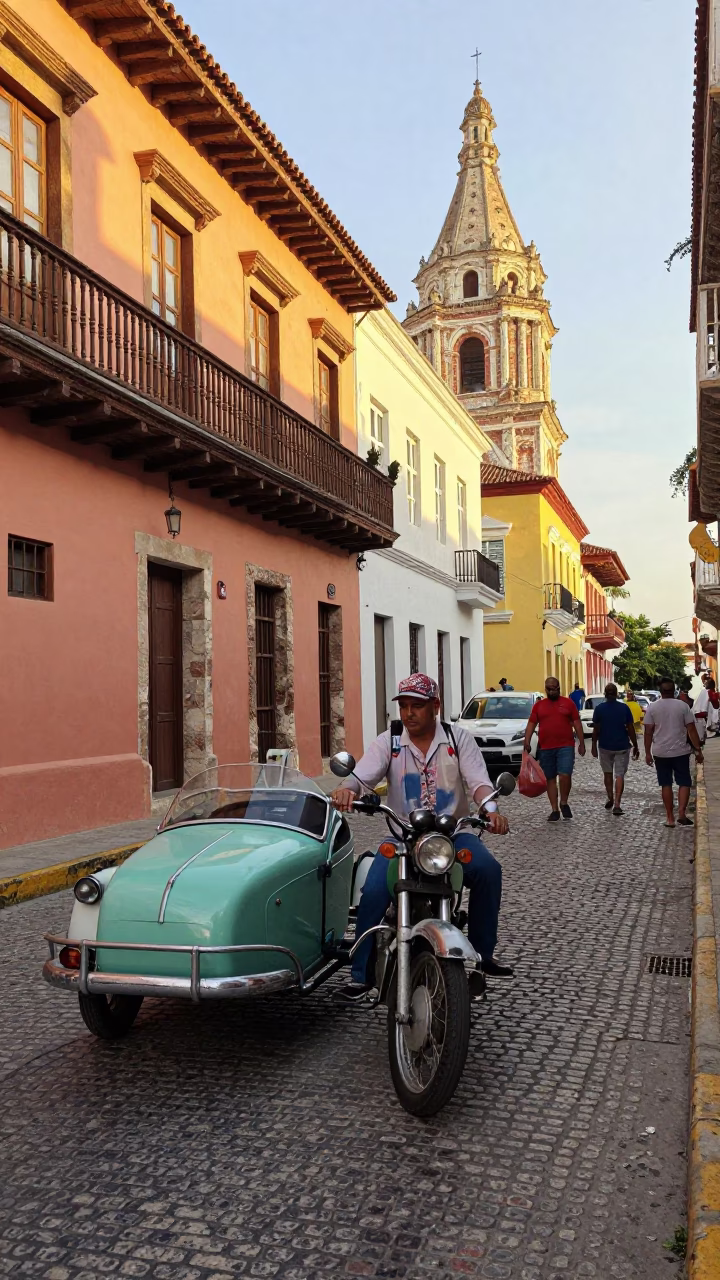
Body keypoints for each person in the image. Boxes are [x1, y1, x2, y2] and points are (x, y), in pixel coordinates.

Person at [331, 673, 512, 999]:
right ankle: (361, 973)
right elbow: (362, 776)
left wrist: (491, 810)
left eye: (417, 706)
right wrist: (347, 790)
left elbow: (479, 783)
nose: (409, 713)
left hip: (452, 836)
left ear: (435, 707)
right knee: (372, 889)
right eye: (404, 706)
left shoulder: (458, 740)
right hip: (403, 838)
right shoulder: (390, 741)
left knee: (488, 870)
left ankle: (483, 957)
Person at [643, 676, 704, 827]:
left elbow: (648, 732)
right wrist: (698, 750)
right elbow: (691, 730)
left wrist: (648, 753)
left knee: (666, 784)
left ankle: (670, 818)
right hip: (681, 751)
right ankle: (682, 813)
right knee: (684, 782)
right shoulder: (683, 706)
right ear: (674, 690)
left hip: (660, 752)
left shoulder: (652, 707)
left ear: (661, 690)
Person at [522, 677, 586, 820]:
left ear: (559, 687)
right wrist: (527, 740)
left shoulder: (568, 703)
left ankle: (564, 802)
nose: (553, 691)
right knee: (550, 778)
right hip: (546, 747)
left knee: (565, 775)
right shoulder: (539, 706)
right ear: (546, 689)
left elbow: (577, 723)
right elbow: (532, 724)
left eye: (555, 688)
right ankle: (555, 809)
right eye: (550, 689)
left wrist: (582, 743)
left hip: (566, 746)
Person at [591, 682, 639, 815]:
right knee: (619, 775)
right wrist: (635, 745)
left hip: (605, 746)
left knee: (607, 773)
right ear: (617, 694)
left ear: (605, 694)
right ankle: (617, 803)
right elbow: (630, 728)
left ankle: (610, 797)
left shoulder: (599, 709)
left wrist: (594, 746)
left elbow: (596, 729)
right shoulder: (624, 708)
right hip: (622, 746)